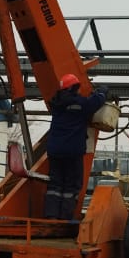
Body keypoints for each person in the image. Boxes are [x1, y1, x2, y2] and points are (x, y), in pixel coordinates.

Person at [44, 73, 108, 221]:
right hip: (72, 151)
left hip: (54, 150)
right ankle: (65, 218)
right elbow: (95, 102)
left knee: (55, 185)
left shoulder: (56, 103)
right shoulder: (80, 104)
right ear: (74, 87)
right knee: (71, 186)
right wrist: (102, 92)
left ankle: (51, 216)